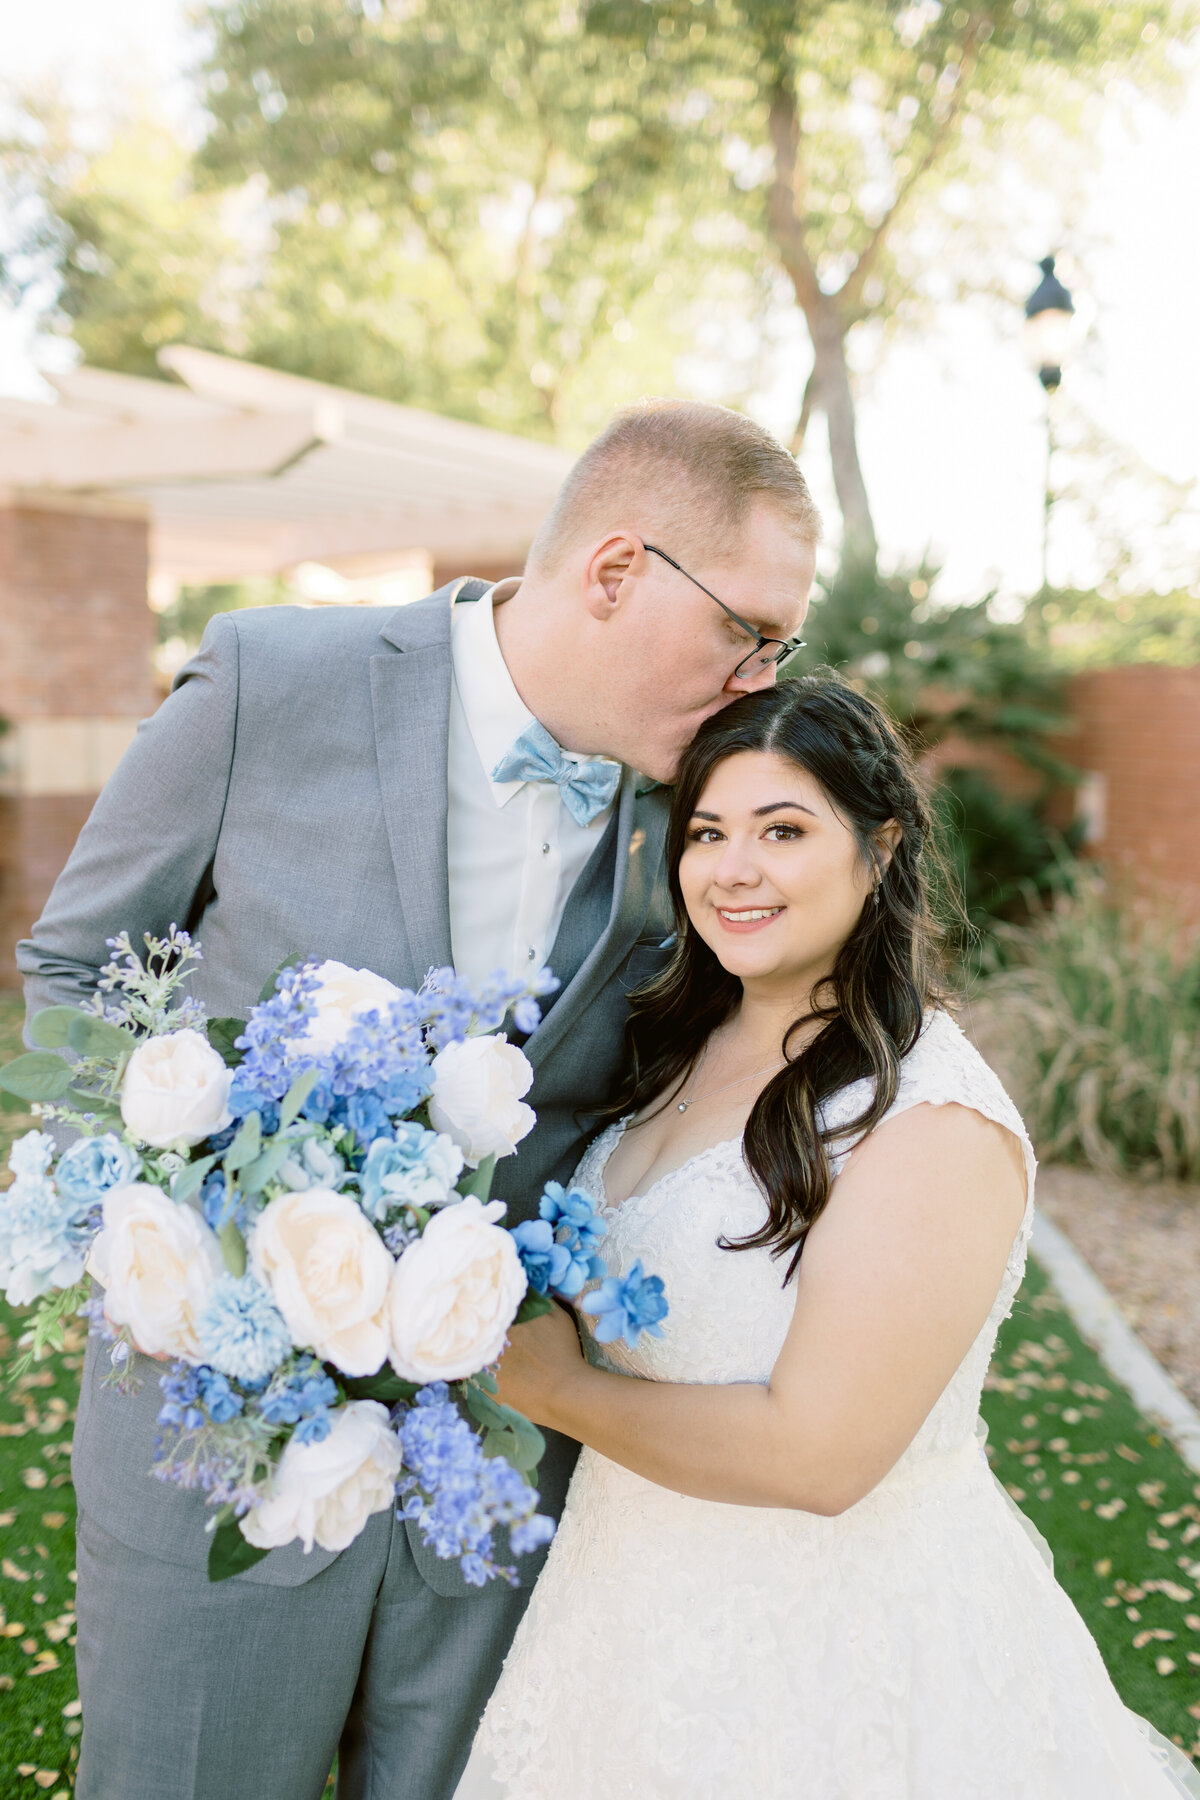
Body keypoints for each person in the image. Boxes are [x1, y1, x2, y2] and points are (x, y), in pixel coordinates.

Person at [17, 400, 819, 1800]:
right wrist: (157, 1243)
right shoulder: (275, 675)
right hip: (219, 1438)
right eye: (746, 631)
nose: (760, 680)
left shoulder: (705, 802)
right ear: (617, 571)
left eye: (780, 647)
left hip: (501, 1472)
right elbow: (81, 964)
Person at [457, 675, 1200, 1800]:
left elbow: (823, 1455)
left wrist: (549, 1387)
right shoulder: (673, 1042)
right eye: (708, 832)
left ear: (882, 845)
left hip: (829, 1655)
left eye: (784, 830)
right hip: (623, 1617)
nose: (732, 868)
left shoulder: (927, 1119)